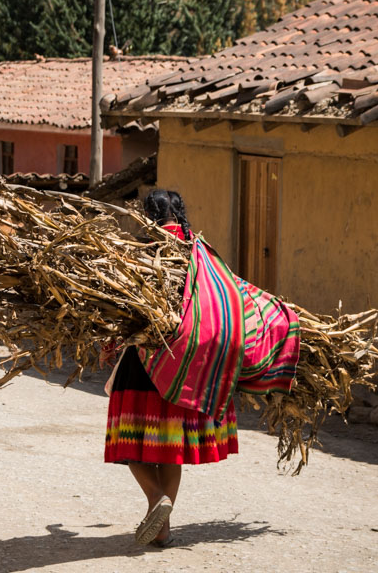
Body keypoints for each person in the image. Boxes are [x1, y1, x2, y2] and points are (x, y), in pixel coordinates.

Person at [103, 189, 300, 548]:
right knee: (170, 448)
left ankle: (155, 500)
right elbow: (229, 294)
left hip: (144, 362)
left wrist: (110, 343)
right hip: (187, 366)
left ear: (149, 216)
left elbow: (122, 309)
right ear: (181, 214)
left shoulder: (143, 253)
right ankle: (163, 525)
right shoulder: (200, 253)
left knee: (129, 443)